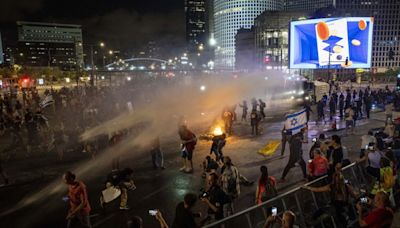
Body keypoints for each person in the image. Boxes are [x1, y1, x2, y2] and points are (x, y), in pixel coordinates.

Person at [304, 163, 355, 227]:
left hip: (335, 208)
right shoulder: (346, 186)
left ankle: (311, 223)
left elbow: (317, 189)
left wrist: (307, 187)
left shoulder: (331, 186)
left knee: (320, 211)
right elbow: (354, 195)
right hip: (342, 208)